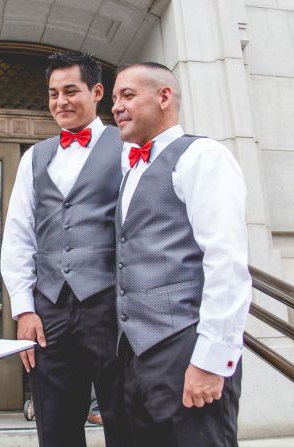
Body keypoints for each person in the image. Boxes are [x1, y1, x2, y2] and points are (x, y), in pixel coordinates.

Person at [111, 62, 252, 446]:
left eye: (127, 95)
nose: (116, 107)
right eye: (114, 99)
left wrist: (211, 359)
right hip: (136, 355)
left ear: (164, 97)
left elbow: (227, 261)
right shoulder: (131, 168)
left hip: (185, 347)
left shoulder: (202, 155)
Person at [0, 51, 128, 447]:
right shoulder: (34, 158)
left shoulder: (127, 147)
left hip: (110, 307)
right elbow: (20, 235)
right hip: (49, 311)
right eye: (53, 93)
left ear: (97, 92)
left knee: (124, 421)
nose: (60, 102)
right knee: (55, 427)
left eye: (70, 91)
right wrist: (23, 308)